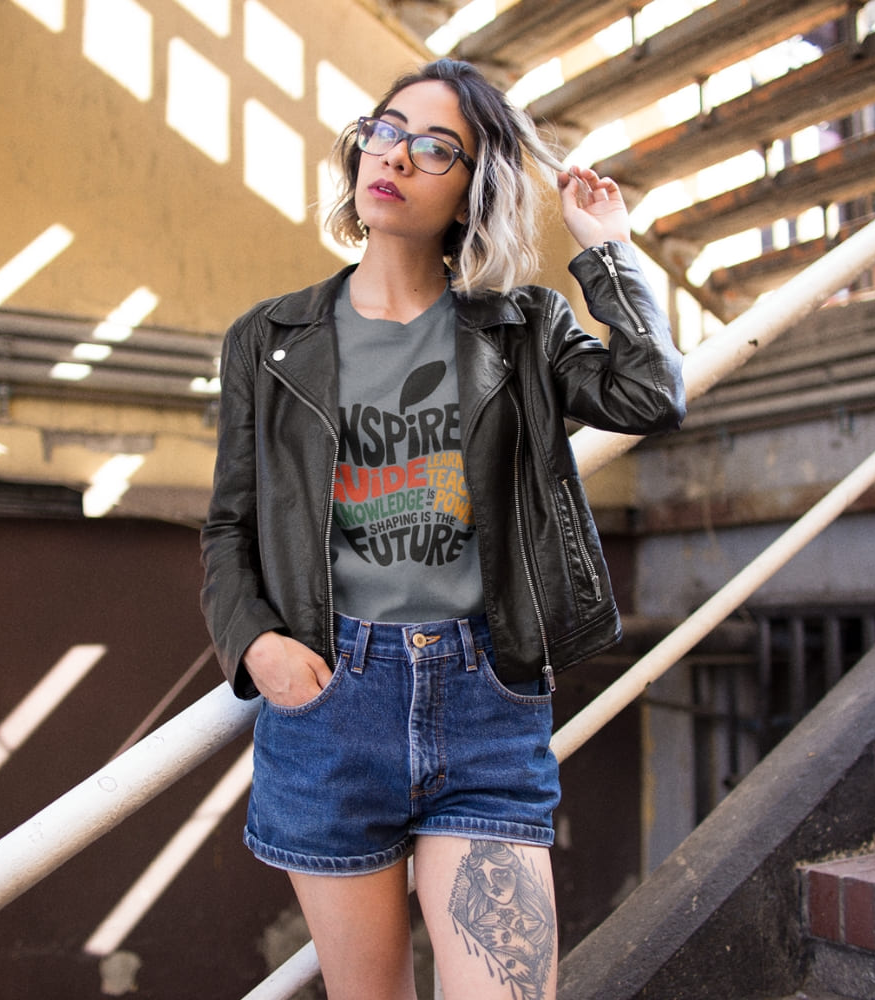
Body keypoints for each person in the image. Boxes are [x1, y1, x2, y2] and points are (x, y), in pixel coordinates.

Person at [201, 57, 685, 1000]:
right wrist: (256, 645)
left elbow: (651, 393)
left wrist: (606, 250)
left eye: (436, 148)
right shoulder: (269, 339)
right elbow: (228, 525)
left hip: (484, 700)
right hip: (332, 701)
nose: (397, 156)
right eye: (384, 131)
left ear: (473, 190)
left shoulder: (523, 331)